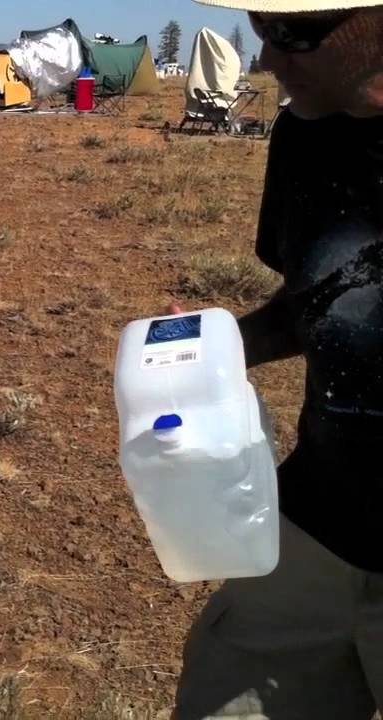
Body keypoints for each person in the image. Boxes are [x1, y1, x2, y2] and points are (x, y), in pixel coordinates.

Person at [174, 2, 383, 718]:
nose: (267, 60)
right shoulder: (304, 137)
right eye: (263, 32)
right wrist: (215, 347)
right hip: (318, 524)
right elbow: (325, 299)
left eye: (293, 33)